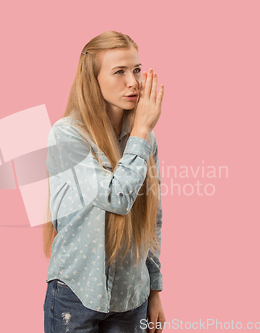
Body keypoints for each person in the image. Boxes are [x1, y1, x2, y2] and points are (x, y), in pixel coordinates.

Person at [42, 31, 166, 332]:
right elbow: (117, 199)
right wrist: (141, 132)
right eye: (119, 72)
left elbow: (152, 221)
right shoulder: (67, 135)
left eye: (136, 70)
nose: (133, 82)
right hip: (76, 294)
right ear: (93, 80)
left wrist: (155, 291)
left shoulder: (144, 138)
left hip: (131, 296)